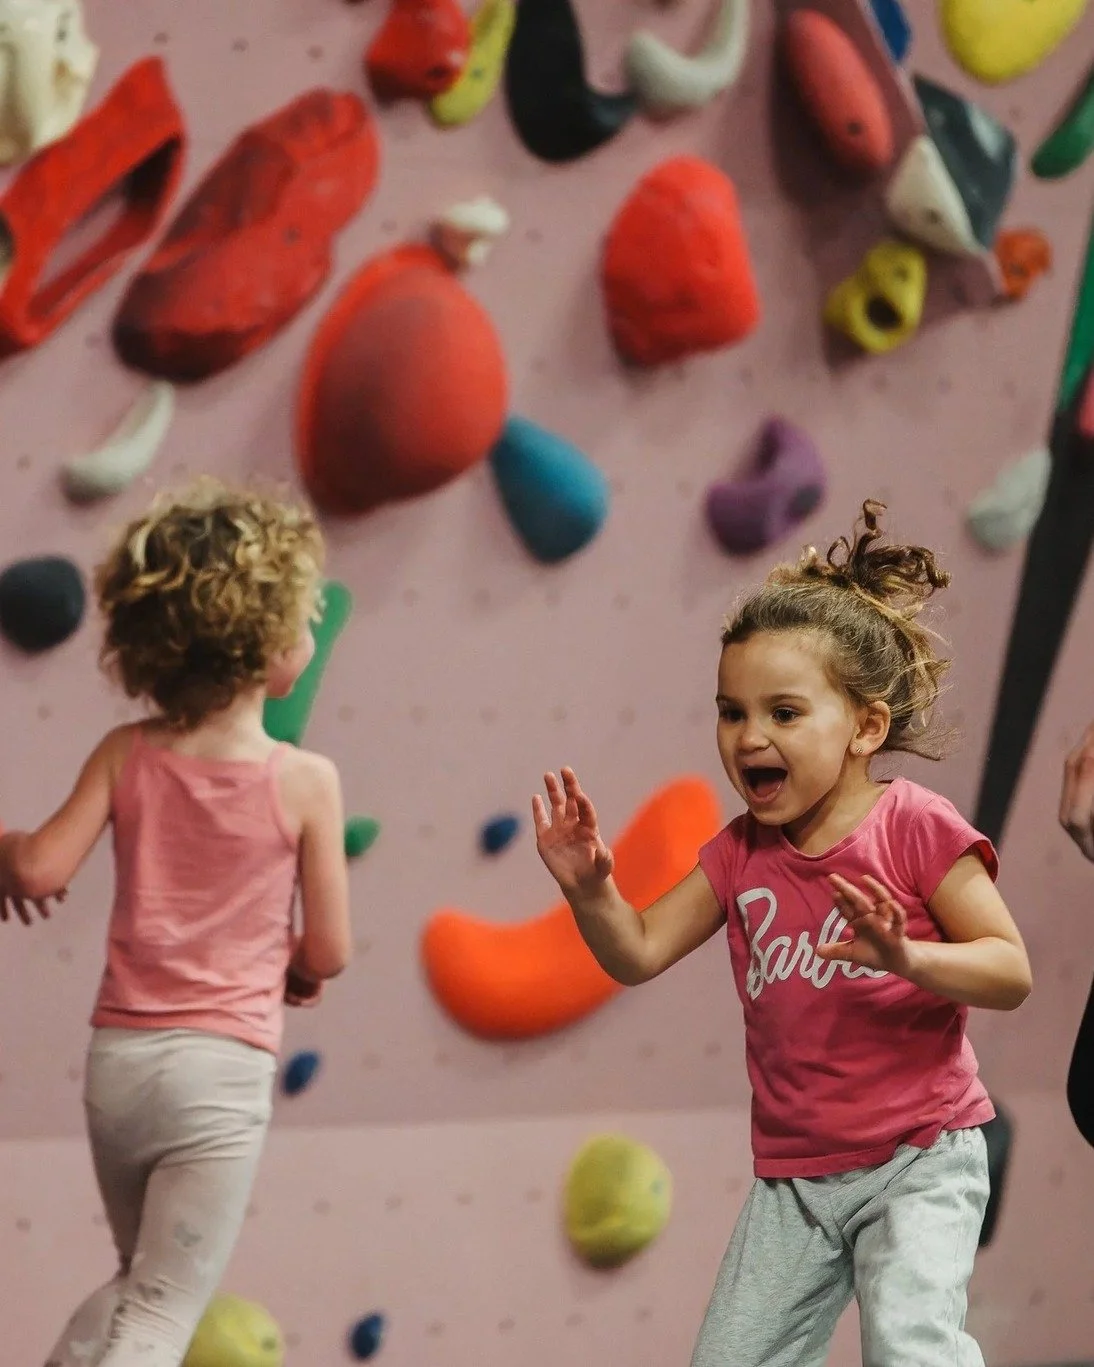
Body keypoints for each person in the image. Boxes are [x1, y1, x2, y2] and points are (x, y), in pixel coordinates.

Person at [533, 499, 1032, 1367]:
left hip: (921, 1154)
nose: (749, 736)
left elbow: (1009, 969)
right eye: (731, 712)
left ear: (865, 727)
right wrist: (589, 887)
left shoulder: (915, 826)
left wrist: (905, 955)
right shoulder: (740, 854)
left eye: (784, 713)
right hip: (796, 1179)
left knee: (908, 1346)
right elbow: (637, 951)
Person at [0, 478, 352, 1367]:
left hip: (120, 1064)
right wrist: (293, 963)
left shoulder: (127, 753)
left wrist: (5, 848)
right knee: (160, 1314)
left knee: (138, 1282)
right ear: (268, 640)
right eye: (304, 621)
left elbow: (40, 868)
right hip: (220, 1072)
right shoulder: (306, 781)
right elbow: (330, 949)